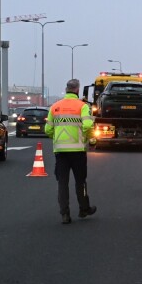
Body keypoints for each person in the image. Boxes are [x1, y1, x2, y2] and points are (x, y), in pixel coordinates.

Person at [44, 79, 97, 224]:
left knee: (62, 183)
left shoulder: (54, 107)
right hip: (78, 150)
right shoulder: (83, 106)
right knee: (80, 181)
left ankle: (65, 214)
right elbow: (87, 125)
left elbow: (48, 129)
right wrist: (91, 139)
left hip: (60, 151)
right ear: (77, 90)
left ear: (66, 89)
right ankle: (84, 208)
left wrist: (56, 138)